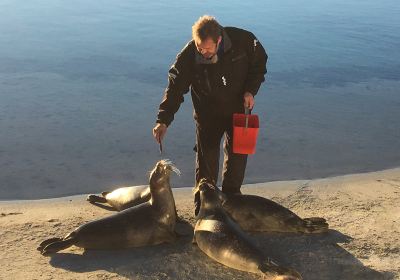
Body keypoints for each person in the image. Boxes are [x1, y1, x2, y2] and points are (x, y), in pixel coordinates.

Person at [152, 15, 268, 215]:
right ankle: (203, 212)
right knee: (206, 167)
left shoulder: (244, 41)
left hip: (238, 111)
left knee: (237, 160)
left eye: (207, 48)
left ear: (219, 40)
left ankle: (232, 205)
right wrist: (163, 120)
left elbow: (259, 64)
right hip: (207, 115)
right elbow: (175, 88)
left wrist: (250, 90)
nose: (203, 52)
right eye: (199, 48)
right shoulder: (189, 54)